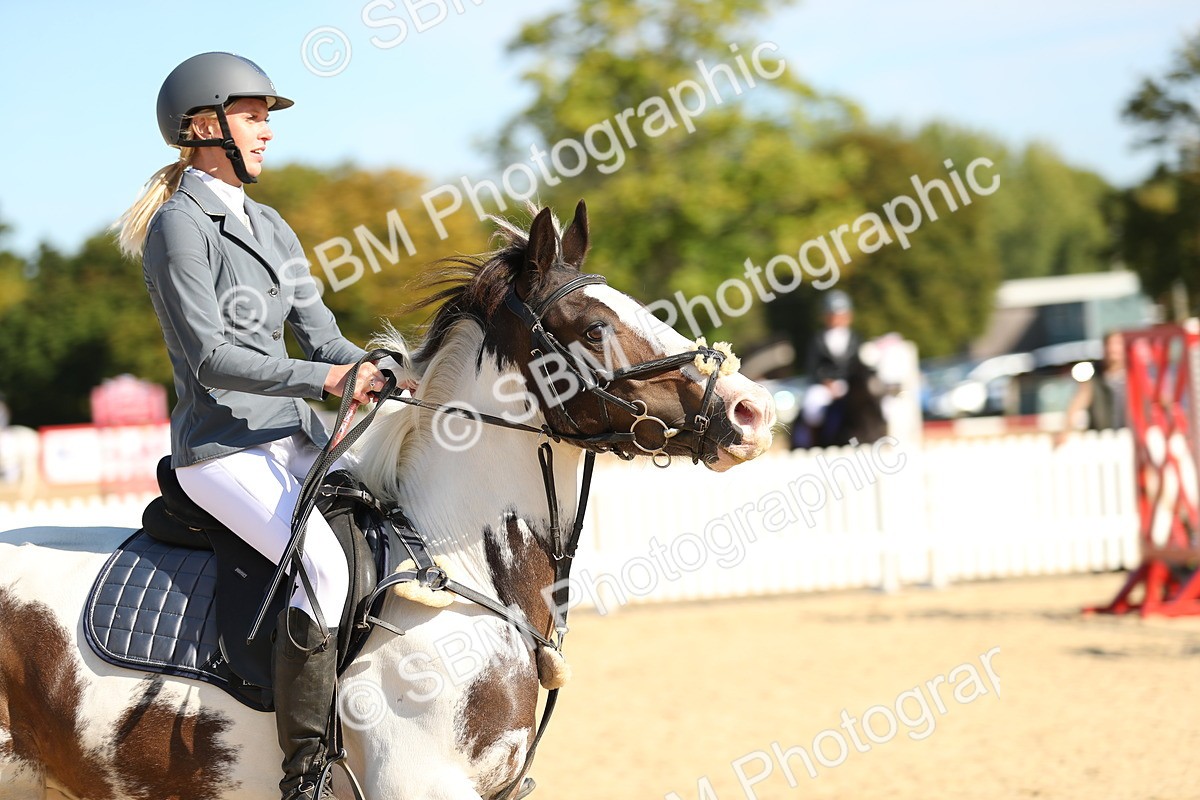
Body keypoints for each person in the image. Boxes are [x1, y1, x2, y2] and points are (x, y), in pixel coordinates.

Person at [115, 52, 384, 800]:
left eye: (267, 118)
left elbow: (323, 337)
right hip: (221, 450)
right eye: (253, 116)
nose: (267, 131)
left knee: (384, 534)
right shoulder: (178, 227)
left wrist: (384, 365)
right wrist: (324, 381)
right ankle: (306, 772)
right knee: (325, 569)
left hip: (294, 437)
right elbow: (210, 357)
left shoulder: (269, 223)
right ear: (204, 126)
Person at [795, 290, 864, 447]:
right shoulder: (817, 340)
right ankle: (814, 441)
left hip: (849, 384)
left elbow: (859, 367)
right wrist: (827, 383)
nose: (837, 319)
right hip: (824, 386)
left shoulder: (856, 339)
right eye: (833, 315)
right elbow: (812, 368)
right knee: (812, 405)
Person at [1055, 330, 1127, 446]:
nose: (1113, 349)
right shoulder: (1093, 373)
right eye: (1110, 344)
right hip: (1101, 437)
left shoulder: (1134, 372)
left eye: (1117, 344)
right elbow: (1080, 399)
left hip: (1128, 435)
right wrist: (1066, 429)